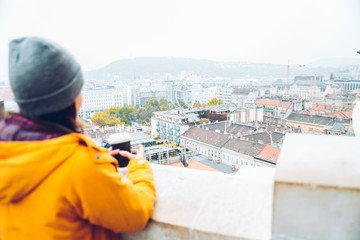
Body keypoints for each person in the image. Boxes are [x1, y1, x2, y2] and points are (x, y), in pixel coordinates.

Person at [0, 37, 156, 240]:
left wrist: (98, 164)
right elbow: (135, 213)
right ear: (71, 98)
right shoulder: (79, 163)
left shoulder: (8, 147)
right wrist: (140, 165)